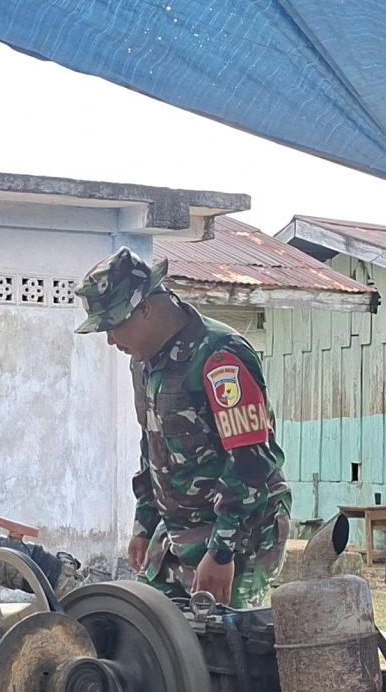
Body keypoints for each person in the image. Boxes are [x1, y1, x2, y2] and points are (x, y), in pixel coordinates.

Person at [74, 248, 290, 607]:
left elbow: (251, 462)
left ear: (145, 308)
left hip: (243, 531)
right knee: (149, 633)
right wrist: (144, 524)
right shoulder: (143, 365)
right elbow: (152, 446)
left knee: (224, 646)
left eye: (112, 325)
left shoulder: (220, 355)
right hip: (178, 530)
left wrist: (223, 553)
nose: (110, 340)